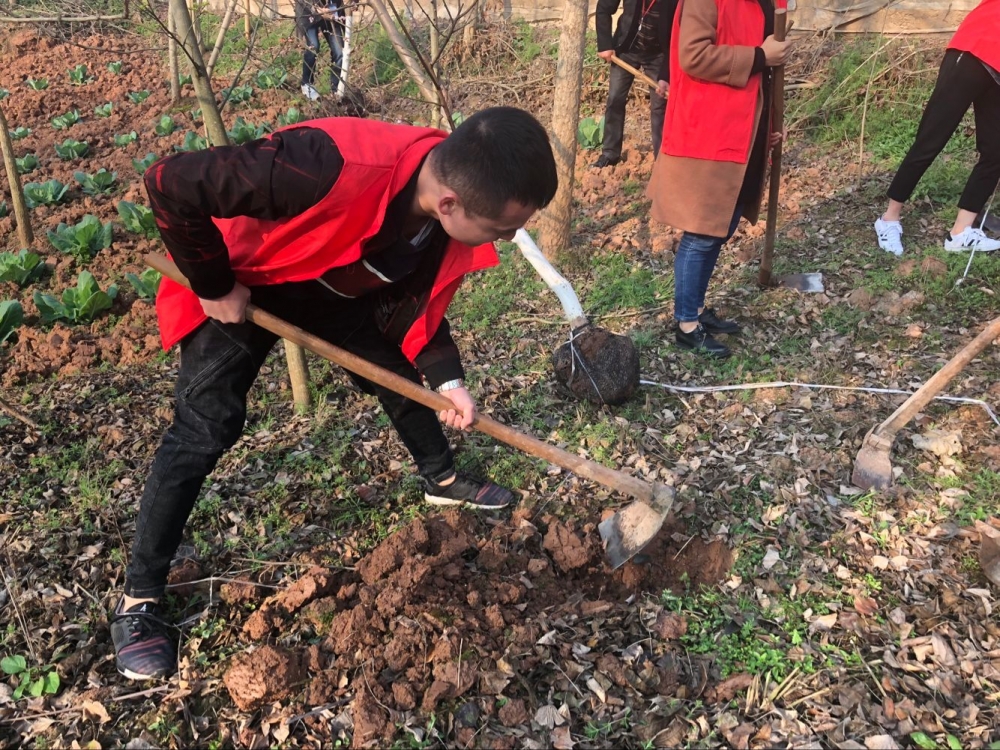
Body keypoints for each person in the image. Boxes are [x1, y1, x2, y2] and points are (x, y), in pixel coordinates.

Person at [110, 107, 558, 681]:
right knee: (204, 428)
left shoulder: (442, 196)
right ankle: (139, 599)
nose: (509, 237)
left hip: (334, 288)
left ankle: (442, 480)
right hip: (248, 284)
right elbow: (169, 181)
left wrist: (449, 381)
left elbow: (417, 302)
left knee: (393, 375)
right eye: (502, 227)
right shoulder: (320, 165)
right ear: (450, 202)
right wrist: (216, 282)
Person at [647, 0, 791, 358]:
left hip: (741, 131)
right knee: (702, 232)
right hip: (709, 132)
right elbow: (693, 55)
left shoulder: (760, 4)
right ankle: (685, 324)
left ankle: (694, 310)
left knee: (720, 228)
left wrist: (767, 125)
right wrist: (760, 55)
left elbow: (764, 69)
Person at [874, 0, 1000, 256]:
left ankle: (960, 232)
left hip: (997, 71)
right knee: (931, 139)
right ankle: (889, 220)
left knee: (996, 151)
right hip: (975, 51)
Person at [593, 0, 674, 168]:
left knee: (659, 107)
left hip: (658, 55)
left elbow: (677, 34)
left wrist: (666, 72)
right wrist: (605, 44)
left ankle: (662, 159)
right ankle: (610, 153)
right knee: (615, 99)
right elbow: (603, 8)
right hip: (626, 49)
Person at [295, 0, 345, 101]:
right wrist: (317, 9)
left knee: (339, 51)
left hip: (331, 10)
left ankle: (336, 89)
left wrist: (354, 2)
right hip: (308, 12)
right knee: (313, 46)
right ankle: (307, 84)